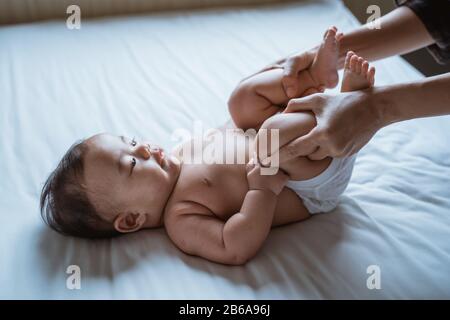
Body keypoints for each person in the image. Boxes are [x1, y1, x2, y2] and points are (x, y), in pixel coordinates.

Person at [40, 27, 376, 265]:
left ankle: (314, 79)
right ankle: (346, 105)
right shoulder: (181, 219)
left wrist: (246, 117)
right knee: (273, 137)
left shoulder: (179, 155)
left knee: (240, 100)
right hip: (310, 183)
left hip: (281, 141)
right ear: (131, 220)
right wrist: (262, 192)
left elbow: (229, 132)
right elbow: (234, 246)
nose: (143, 149)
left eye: (131, 141)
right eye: (130, 164)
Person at [257, 1, 450, 164]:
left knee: (266, 118)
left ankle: (344, 90)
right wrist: (327, 55)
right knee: (244, 96)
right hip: (257, 155)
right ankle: (316, 74)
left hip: (283, 169)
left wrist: (378, 107)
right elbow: (438, 10)